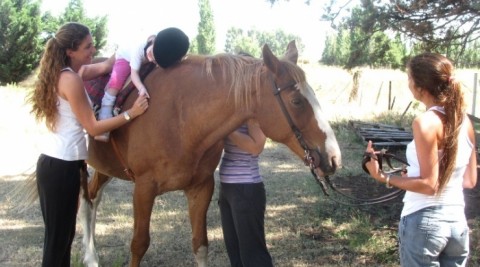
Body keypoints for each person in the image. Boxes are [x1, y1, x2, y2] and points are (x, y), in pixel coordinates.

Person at [26, 22, 149, 267]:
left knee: (63, 238)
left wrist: (131, 47)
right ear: (70, 51)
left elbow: (106, 65)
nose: (93, 50)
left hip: (61, 165)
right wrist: (130, 114)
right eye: (87, 47)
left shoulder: (66, 73)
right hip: (61, 167)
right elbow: (93, 127)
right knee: (57, 243)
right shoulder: (71, 80)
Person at [364, 52, 477, 267]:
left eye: (409, 77)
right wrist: (413, 176)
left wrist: (382, 176)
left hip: (424, 223)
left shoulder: (425, 122)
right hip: (457, 224)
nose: (408, 83)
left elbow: (429, 184)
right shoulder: (466, 123)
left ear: (420, 87)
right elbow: (469, 180)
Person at [218, 119, 274, 267]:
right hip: (227, 188)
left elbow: (256, 146)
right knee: (235, 252)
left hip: (246, 188)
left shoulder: (250, 112)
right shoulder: (228, 112)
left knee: (253, 255)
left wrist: (226, 128)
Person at [95, 34, 156, 141]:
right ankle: (105, 113)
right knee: (116, 83)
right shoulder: (138, 50)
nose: (151, 59)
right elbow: (134, 74)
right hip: (125, 58)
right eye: (151, 52)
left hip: (142, 61)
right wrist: (141, 87)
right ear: (151, 41)